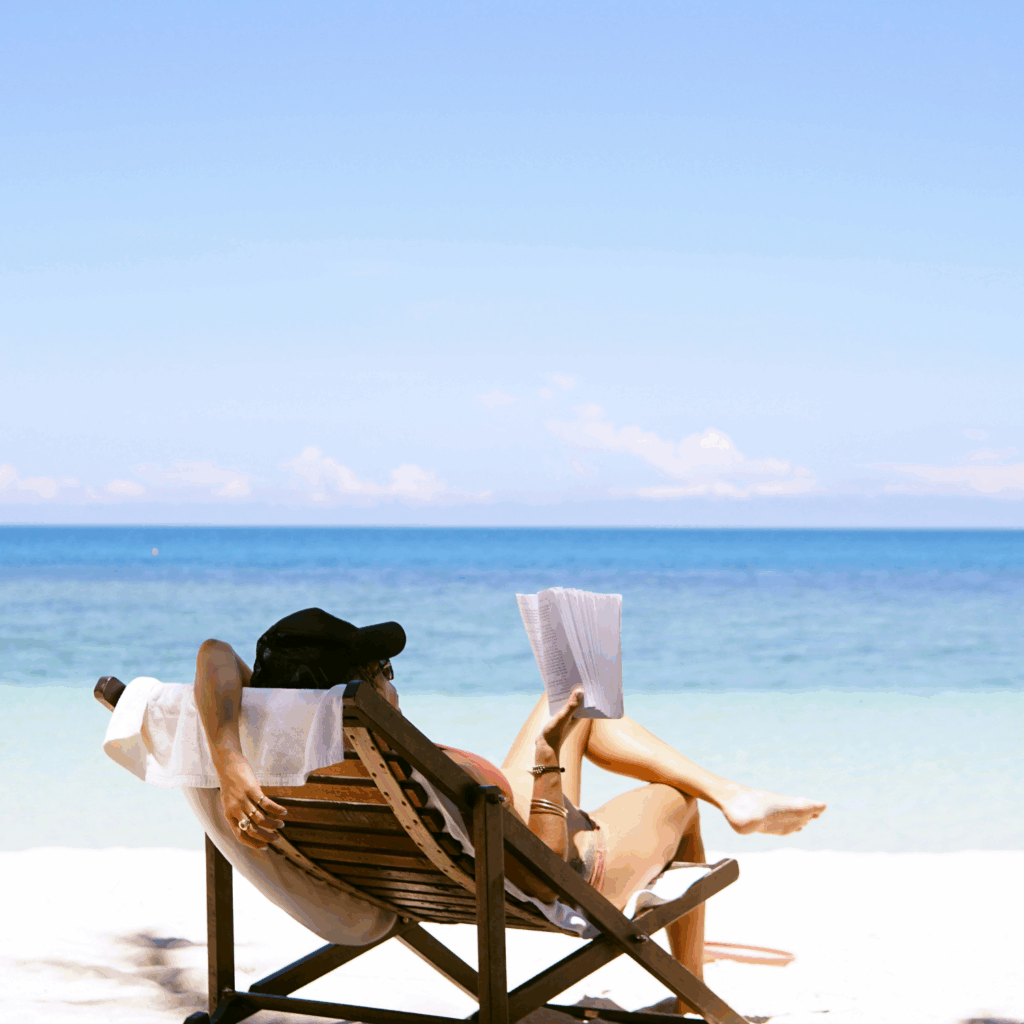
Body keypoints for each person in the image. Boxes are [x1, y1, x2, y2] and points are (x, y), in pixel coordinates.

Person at [195, 609, 826, 1016]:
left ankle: (731, 794)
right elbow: (545, 878)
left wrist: (229, 764)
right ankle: (691, 986)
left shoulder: (265, 742)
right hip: (558, 870)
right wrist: (547, 761)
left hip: (431, 854)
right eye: (382, 669)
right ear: (358, 692)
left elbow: (214, 651)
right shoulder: (430, 763)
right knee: (676, 800)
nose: (392, 681)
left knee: (572, 697)